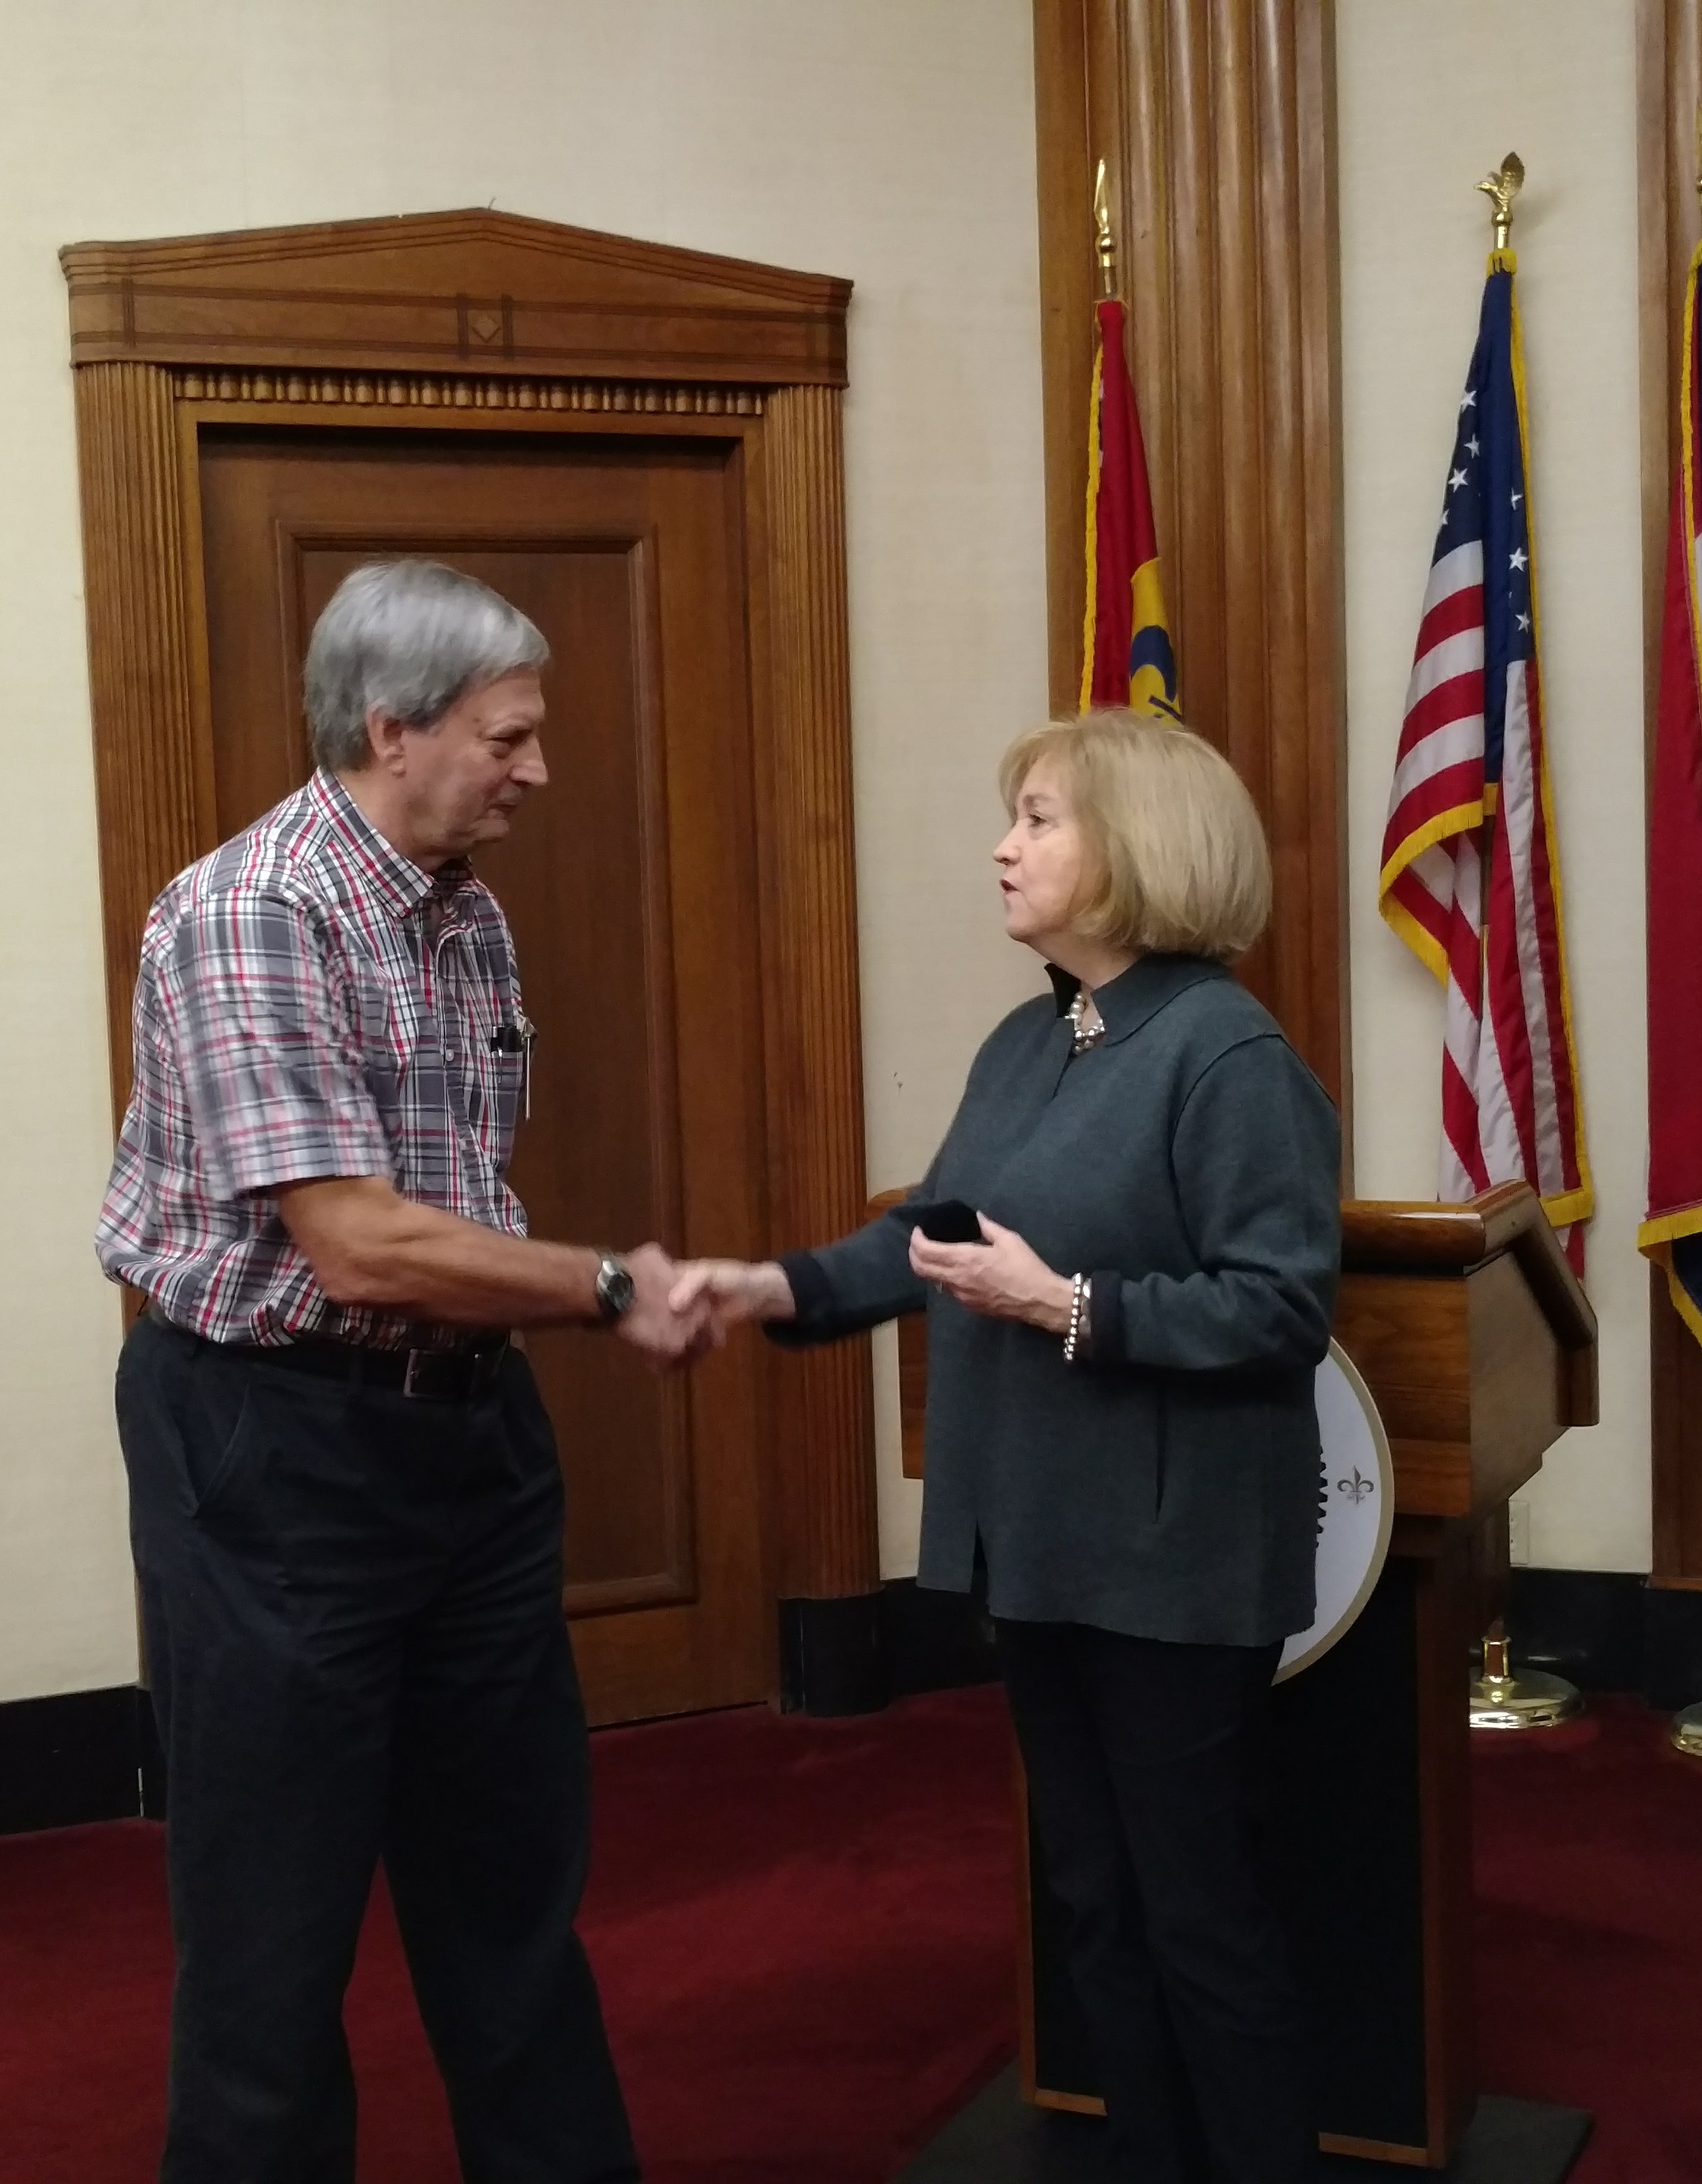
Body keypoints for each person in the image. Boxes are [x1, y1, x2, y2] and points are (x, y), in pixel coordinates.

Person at [98, 559, 704, 2184]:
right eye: (509, 737)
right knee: (271, 1938)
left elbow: (450, 1202)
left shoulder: (468, 916)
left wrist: (533, 1314)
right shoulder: (249, 914)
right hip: (272, 1450)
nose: (538, 769)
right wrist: (605, 1284)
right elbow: (355, 1243)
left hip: (469, 1443)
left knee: (513, 1900)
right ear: (392, 730)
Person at [676, 708, 1339, 2184]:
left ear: (1139, 850)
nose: (1004, 845)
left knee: (1198, 1915)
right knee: (1094, 1901)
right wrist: (781, 1286)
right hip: (1038, 1541)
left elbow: (1282, 1305)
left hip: (1170, 1560)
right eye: (1014, 816)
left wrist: (1071, 1304)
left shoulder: (1226, 1052)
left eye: (1040, 817)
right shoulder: (1037, 1036)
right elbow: (939, 1232)